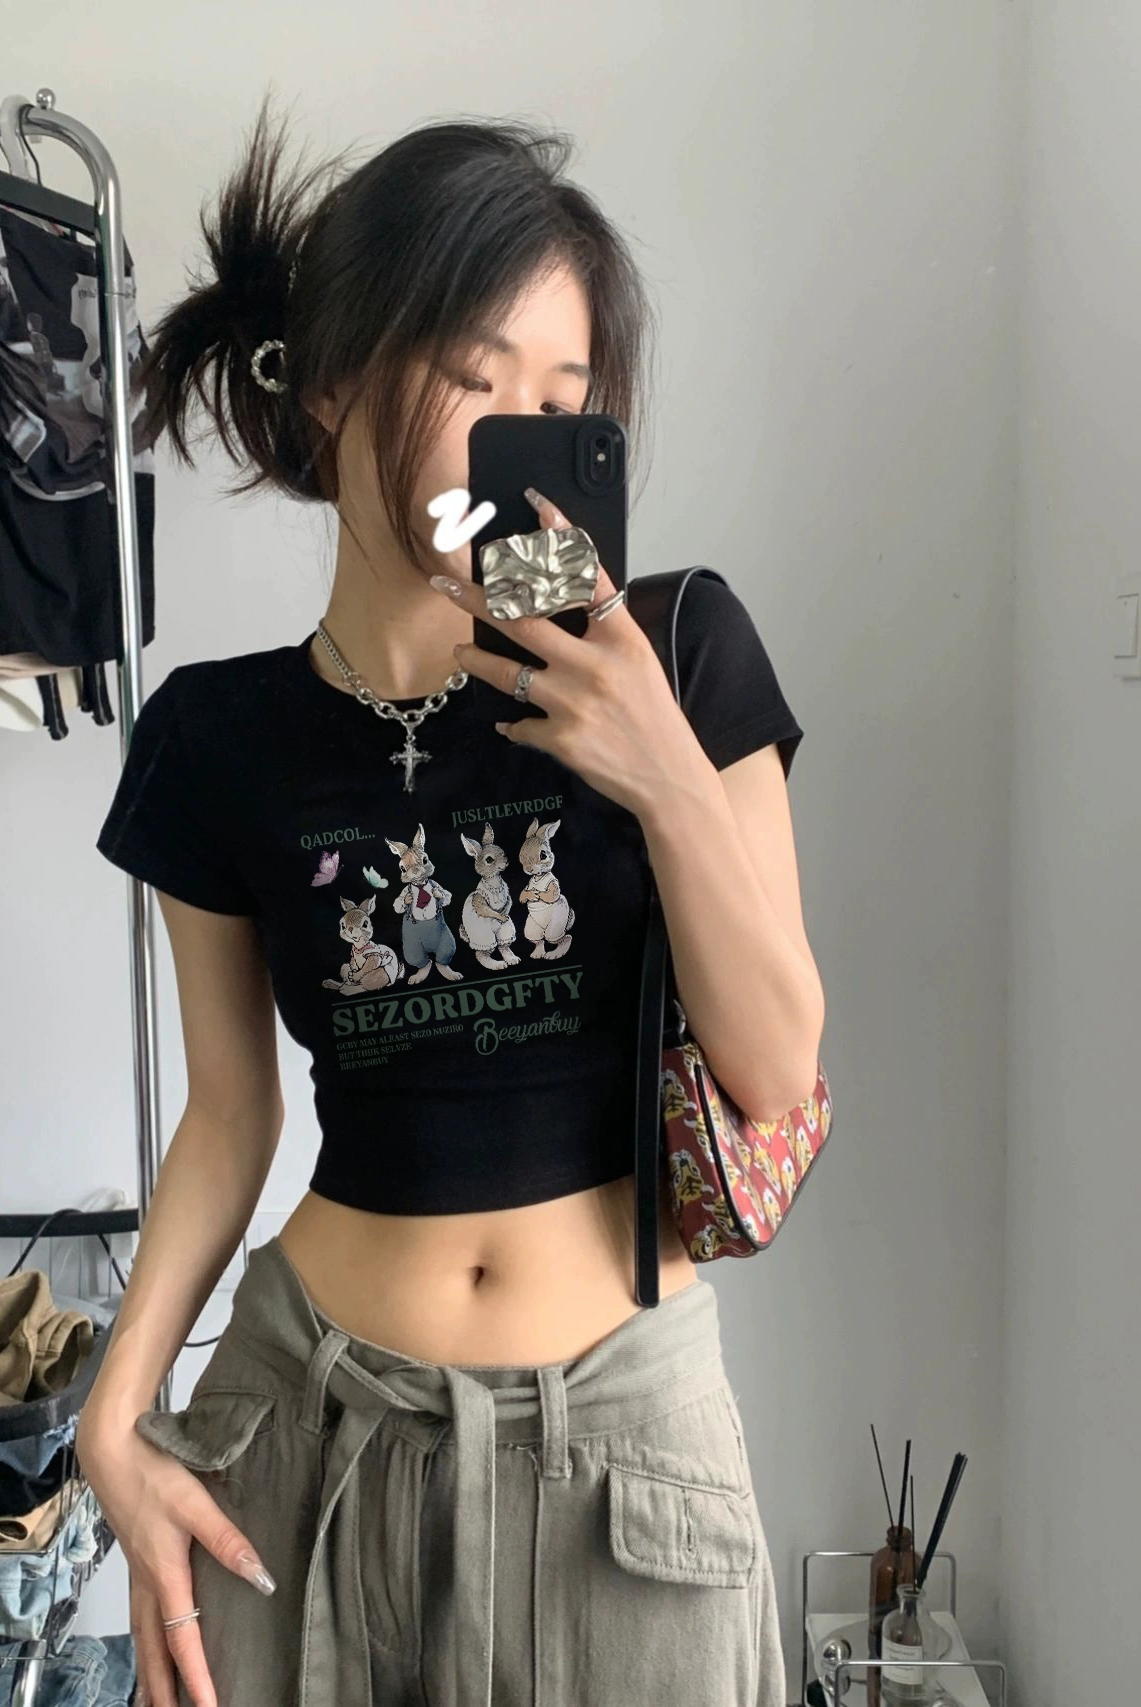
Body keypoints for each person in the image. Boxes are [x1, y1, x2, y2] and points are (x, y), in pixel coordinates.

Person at [76, 93, 824, 1707]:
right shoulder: (214, 737)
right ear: (335, 382)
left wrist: (664, 772)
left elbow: (776, 1064)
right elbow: (229, 1115)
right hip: (309, 1425)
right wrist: (112, 1409)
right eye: (476, 381)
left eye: (560, 402)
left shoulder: (684, 653)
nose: (515, 441)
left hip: (621, 1451)